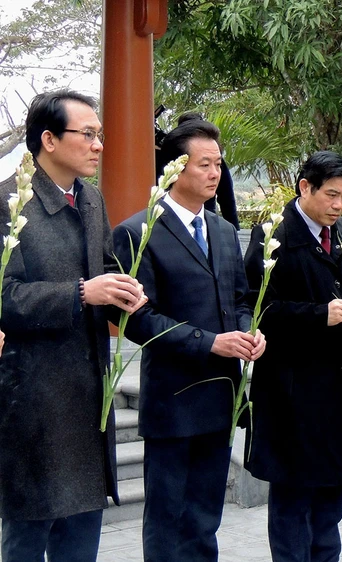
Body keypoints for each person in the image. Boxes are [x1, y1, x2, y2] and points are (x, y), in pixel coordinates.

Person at [0, 89, 145, 561]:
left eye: (99, 135)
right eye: (88, 134)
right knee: (28, 535)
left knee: (82, 535)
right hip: (32, 400)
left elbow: (103, 270)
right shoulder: (9, 203)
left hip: (87, 397)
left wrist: (126, 294)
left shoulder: (90, 199)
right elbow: (6, 297)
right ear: (48, 140)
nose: (98, 145)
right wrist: (82, 293)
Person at [114, 118, 265, 561]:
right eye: (205, 164)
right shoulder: (137, 231)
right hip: (173, 400)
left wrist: (246, 331)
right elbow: (138, 320)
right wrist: (209, 343)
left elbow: (239, 297)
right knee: (168, 514)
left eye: (219, 164)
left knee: (205, 515)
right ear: (176, 168)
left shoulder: (220, 229)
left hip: (221, 395)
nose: (216, 173)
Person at [243, 151, 342, 561]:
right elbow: (255, 308)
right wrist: (319, 315)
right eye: (331, 195)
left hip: (340, 391)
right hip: (293, 393)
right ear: (305, 188)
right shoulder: (272, 235)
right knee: (293, 501)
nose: (339, 206)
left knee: (330, 502)